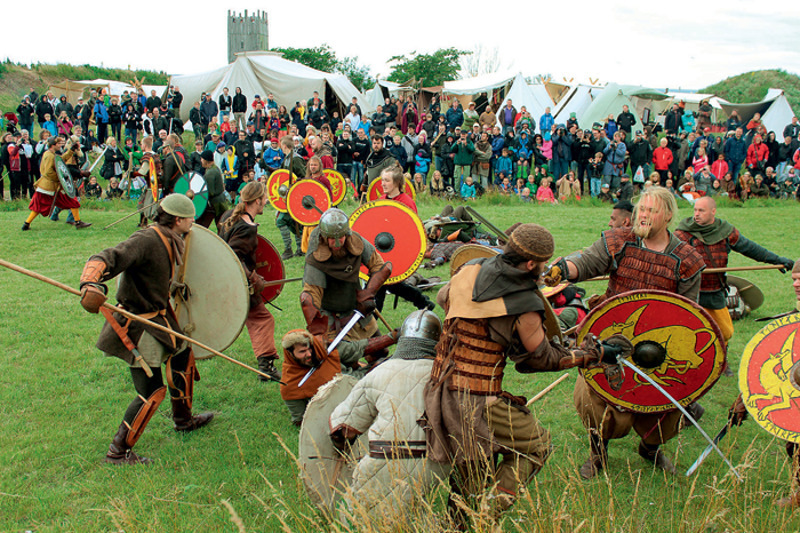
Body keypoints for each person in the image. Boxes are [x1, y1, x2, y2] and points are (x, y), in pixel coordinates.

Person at [424, 224, 615, 524]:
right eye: (541, 264)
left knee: (474, 465)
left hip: (439, 387)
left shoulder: (470, 268)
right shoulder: (524, 303)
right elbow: (538, 359)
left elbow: (443, 297)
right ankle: (485, 515)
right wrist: (590, 355)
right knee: (535, 445)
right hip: (476, 398)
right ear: (530, 264)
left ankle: (454, 524)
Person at [544, 186, 706, 479]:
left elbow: (689, 313)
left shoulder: (687, 259)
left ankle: (650, 448)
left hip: (659, 346)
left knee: (667, 405)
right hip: (612, 335)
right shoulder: (619, 241)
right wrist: (563, 270)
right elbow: (586, 263)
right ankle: (598, 453)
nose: (643, 215)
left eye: (651, 210)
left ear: (667, 215)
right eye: (641, 209)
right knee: (599, 400)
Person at [78, 194, 213, 464]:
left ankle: (183, 420)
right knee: (151, 391)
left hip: (161, 318)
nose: (193, 221)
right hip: (141, 323)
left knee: (182, 356)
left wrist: (173, 287)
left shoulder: (172, 239)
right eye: (189, 217)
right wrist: (90, 281)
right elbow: (109, 257)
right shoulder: (147, 239)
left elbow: (155, 275)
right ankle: (118, 452)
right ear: (177, 220)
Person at [329, 310, 451, 520]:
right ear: (437, 342)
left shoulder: (378, 373)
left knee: (356, 517)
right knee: (415, 513)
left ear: (403, 339)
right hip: (438, 463)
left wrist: (342, 448)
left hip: (384, 459)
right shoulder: (450, 374)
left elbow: (343, 428)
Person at [675, 197, 794, 342]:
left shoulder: (725, 231)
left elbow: (750, 248)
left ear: (713, 211)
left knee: (725, 333)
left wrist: (777, 260)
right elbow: (669, 258)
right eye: (695, 210)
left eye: (701, 210)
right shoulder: (683, 234)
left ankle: (721, 360)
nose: (696, 214)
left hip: (715, 291)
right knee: (689, 332)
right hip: (691, 291)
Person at [300, 208, 396, 368]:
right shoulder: (316, 254)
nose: (336, 243)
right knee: (339, 362)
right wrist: (318, 332)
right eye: (331, 239)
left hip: (357, 309)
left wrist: (367, 294)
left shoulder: (355, 241)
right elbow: (309, 297)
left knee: (380, 353)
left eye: (341, 237)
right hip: (329, 315)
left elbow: (382, 267)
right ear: (324, 236)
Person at [218, 182, 281, 381]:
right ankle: (266, 368)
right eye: (264, 198)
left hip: (222, 277)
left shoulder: (228, 216)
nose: (267, 201)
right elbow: (234, 256)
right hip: (238, 281)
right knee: (262, 319)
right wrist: (252, 277)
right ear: (256, 201)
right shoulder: (246, 227)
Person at [22, 136, 91, 230]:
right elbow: (48, 172)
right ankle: (26, 224)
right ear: (53, 145)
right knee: (39, 207)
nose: (60, 145)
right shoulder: (49, 155)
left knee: (71, 200)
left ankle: (78, 222)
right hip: (48, 187)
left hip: (50, 187)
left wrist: (71, 150)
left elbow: (61, 160)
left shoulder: (51, 154)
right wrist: (61, 178)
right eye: (59, 144)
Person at [279, 329, 341, 426]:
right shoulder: (289, 383)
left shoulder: (324, 354)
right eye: (302, 351)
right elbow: (300, 421)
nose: (309, 354)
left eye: (309, 349)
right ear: (290, 354)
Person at [195, 150, 229, 229]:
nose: (201, 161)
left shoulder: (211, 173)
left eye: (202, 159)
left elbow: (210, 192)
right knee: (221, 225)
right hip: (219, 201)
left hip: (215, 204)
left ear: (206, 160)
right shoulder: (213, 168)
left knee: (203, 226)